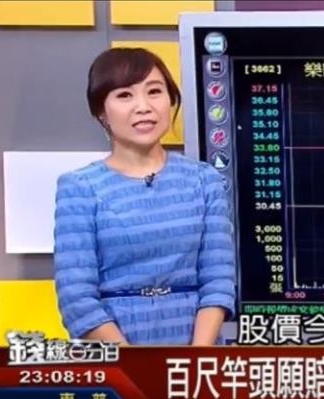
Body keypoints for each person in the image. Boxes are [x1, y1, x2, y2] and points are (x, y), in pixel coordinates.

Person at [52, 47, 236, 345]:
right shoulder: (80, 187)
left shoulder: (204, 180)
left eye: (154, 91)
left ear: (170, 100)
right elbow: (77, 299)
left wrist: (196, 358)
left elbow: (218, 281)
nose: (144, 106)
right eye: (125, 95)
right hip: (117, 354)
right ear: (101, 111)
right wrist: (135, 366)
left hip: (196, 351)